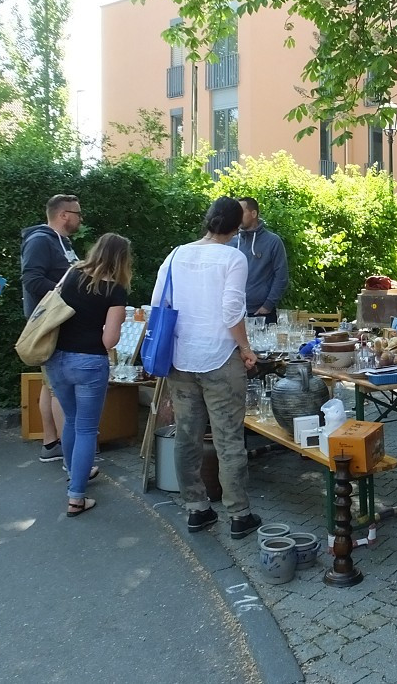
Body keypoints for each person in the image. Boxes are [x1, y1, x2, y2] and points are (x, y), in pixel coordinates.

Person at [156, 197, 261, 538]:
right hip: (219, 358)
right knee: (228, 438)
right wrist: (246, 349)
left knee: (186, 435)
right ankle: (238, 514)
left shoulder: (174, 255)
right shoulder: (233, 257)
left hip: (181, 359)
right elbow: (232, 311)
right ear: (236, 225)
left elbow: (159, 304)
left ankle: (196, 509)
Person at [44, 234, 132, 517]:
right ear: (123, 260)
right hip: (90, 364)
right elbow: (109, 341)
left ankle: (74, 476)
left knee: (71, 420)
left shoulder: (72, 273)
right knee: (85, 429)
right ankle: (76, 497)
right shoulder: (115, 290)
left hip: (56, 358)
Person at [21, 194, 82, 463]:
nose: (80, 218)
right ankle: (72, 460)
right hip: (50, 324)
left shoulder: (61, 242)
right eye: (78, 214)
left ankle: (51, 444)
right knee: (59, 387)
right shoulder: (39, 241)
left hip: (59, 322)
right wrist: (67, 296)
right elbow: (31, 279)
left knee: (50, 385)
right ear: (64, 215)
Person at [231, 197, 289, 324]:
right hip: (234, 312)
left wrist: (268, 305)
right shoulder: (232, 242)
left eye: (241, 212)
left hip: (262, 313)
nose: (237, 216)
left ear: (253, 214)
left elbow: (281, 276)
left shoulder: (273, 241)